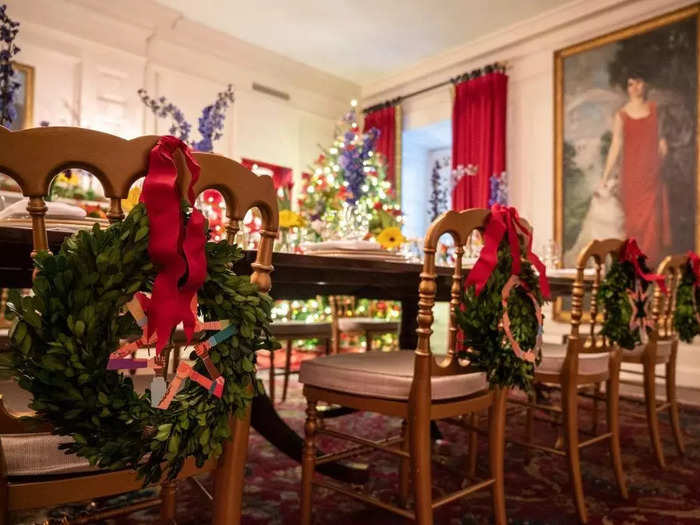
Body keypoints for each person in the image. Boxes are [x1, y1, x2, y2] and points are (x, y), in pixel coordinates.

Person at [600, 71, 670, 263]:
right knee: (633, 226)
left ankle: (650, 270)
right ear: (627, 88)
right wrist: (605, 177)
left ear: (645, 85)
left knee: (652, 226)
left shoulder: (654, 109)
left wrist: (661, 154)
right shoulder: (621, 115)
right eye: (631, 84)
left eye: (639, 82)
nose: (635, 88)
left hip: (651, 175)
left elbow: (662, 142)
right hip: (631, 177)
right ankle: (634, 272)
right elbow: (616, 146)